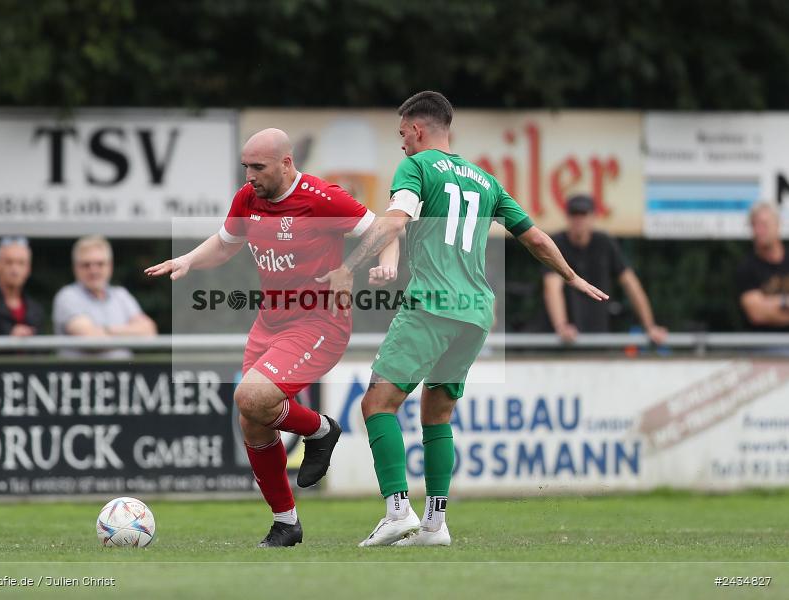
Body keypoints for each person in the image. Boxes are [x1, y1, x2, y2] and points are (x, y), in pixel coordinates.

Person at [316, 91, 607, 547]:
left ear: (416, 128)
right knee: (437, 412)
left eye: (402, 135)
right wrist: (571, 275)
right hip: (476, 312)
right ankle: (435, 525)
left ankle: (397, 511)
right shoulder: (485, 180)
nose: (402, 145)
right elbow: (534, 238)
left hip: (432, 304)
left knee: (377, 403)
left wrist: (346, 269)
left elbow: (394, 223)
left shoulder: (416, 167)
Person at [145, 128, 397, 547]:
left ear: (286, 163)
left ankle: (319, 430)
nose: (250, 176)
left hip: (319, 325)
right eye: (246, 167)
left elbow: (387, 229)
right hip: (270, 323)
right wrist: (187, 260)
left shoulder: (321, 197)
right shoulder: (249, 198)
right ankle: (286, 524)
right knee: (252, 416)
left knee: (251, 398)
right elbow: (225, 245)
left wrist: (360, 267)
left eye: (258, 167)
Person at [543, 193, 668, 344]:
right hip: (562, 339)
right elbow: (552, 288)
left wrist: (650, 326)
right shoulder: (556, 243)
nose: (578, 220)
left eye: (583, 214)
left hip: (599, 334)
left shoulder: (604, 242)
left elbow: (631, 283)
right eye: (574, 214)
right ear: (567, 217)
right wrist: (562, 326)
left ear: (593, 217)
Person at [52, 235, 157, 359]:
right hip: (82, 375)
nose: (94, 270)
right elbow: (91, 340)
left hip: (125, 374)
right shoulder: (67, 296)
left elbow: (149, 332)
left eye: (100, 264)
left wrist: (106, 331)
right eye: (86, 265)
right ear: (75, 267)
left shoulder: (120, 295)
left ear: (110, 266)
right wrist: (130, 333)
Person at [737, 202, 789, 330]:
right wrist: (784, 301)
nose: (759, 231)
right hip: (761, 346)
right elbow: (757, 314)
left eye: (764, 225)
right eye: (755, 225)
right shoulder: (747, 268)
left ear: (777, 225)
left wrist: (770, 304)